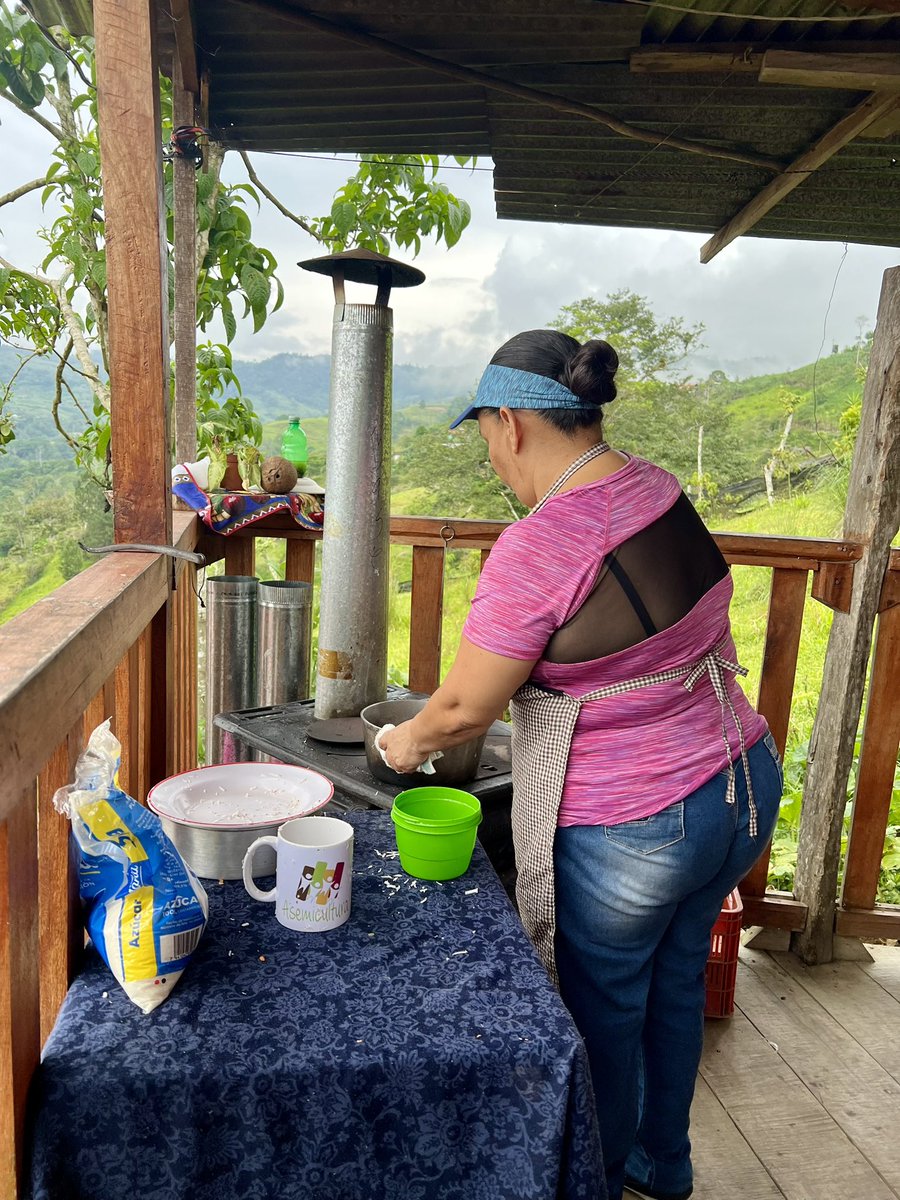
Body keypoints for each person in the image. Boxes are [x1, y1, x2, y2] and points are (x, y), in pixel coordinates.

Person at [378, 329, 783, 1200]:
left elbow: (462, 711)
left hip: (638, 827)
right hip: (740, 782)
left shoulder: (540, 544)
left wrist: (397, 744)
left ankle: (592, 1180)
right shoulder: (656, 486)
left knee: (601, 1016)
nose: (488, 453)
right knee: (675, 986)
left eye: (484, 431)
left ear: (514, 422)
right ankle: (661, 1167)